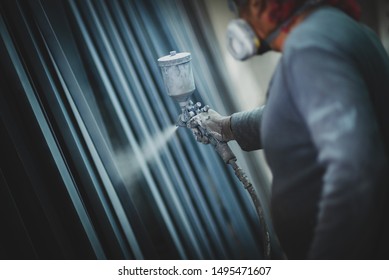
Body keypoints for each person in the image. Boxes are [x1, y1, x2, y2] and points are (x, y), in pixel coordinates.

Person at [189, 0, 389, 259]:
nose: (240, 20)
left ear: (260, 6)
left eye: (239, 9)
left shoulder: (309, 47)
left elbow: (355, 171)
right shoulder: (337, 28)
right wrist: (227, 127)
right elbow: (304, 113)